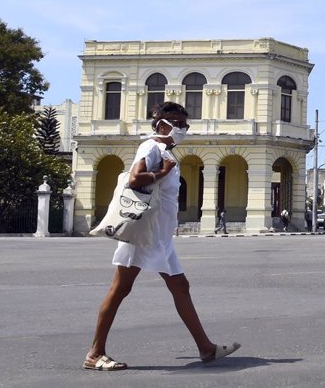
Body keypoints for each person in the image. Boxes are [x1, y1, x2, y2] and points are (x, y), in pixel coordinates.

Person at [83, 102, 240, 371]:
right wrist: (162, 172)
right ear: (161, 124)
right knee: (120, 289)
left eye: (185, 125)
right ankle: (95, 354)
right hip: (144, 234)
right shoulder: (151, 147)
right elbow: (135, 179)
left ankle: (206, 348)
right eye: (178, 124)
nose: (182, 129)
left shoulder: (165, 150)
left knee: (180, 287)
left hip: (160, 237)